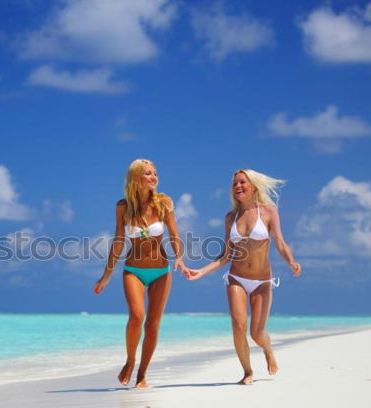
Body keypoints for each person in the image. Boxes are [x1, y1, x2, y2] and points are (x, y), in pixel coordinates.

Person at [186, 169, 301, 384]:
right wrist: (201, 271)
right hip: (236, 278)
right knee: (238, 326)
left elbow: (281, 243)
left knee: (257, 334)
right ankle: (247, 372)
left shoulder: (268, 211)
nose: (237, 186)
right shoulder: (231, 217)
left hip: (261, 282)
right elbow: (225, 256)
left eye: (242, 182)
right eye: (234, 184)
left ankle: (268, 349)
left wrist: (291, 262)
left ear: (254, 186)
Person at [94, 159, 188, 389]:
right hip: (133, 270)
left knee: (153, 325)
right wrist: (106, 276)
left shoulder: (164, 203)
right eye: (148, 173)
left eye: (155, 173)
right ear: (136, 178)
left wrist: (180, 259)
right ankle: (130, 360)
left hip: (161, 271)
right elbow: (118, 242)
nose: (154, 177)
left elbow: (174, 234)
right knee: (137, 317)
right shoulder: (123, 207)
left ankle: (142, 374)